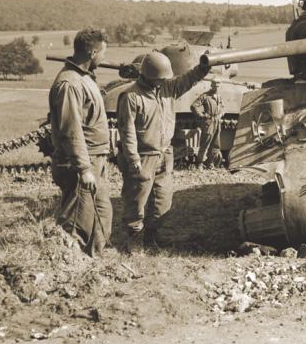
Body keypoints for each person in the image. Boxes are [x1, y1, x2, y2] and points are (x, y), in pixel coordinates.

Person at [116, 51, 210, 250]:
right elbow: (127, 130)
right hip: (142, 156)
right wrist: (133, 158)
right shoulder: (131, 96)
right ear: (149, 77)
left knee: (162, 201)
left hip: (164, 154)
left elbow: (188, 79)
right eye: (159, 79)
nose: (163, 82)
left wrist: (202, 68)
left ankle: (151, 238)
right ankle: (133, 242)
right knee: (136, 201)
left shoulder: (168, 88)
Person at [49, 27, 112, 256]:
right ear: (93, 53)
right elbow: (71, 130)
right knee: (77, 223)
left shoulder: (84, 79)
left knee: (100, 214)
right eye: (103, 52)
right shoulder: (70, 84)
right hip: (79, 165)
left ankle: (95, 259)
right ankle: (70, 269)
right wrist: (84, 169)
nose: (105, 58)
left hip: (95, 159)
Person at [191, 82, 223, 168]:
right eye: (215, 86)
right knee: (205, 144)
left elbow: (222, 107)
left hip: (217, 121)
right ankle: (199, 163)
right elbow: (194, 106)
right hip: (209, 122)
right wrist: (202, 115)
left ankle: (210, 162)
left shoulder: (219, 96)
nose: (216, 88)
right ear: (211, 86)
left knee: (216, 144)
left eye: (218, 86)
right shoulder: (205, 96)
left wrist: (221, 113)